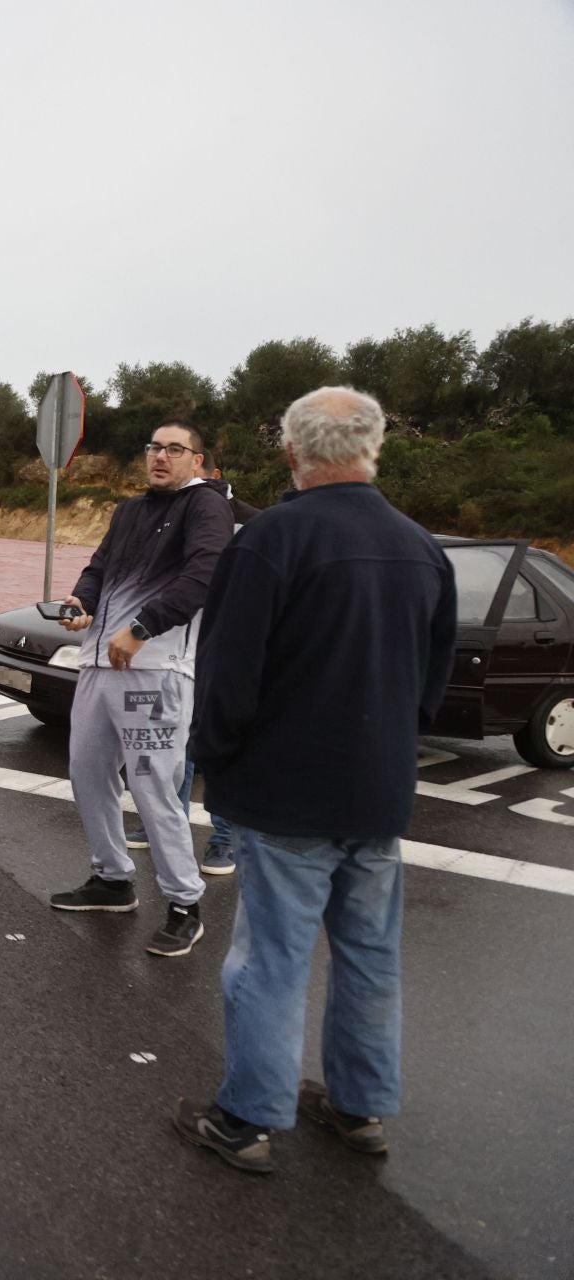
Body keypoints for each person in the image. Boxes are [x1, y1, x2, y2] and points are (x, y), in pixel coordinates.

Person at [172, 387, 454, 1174]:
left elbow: (228, 677)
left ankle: (247, 1118)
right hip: (378, 793)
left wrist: (216, 761)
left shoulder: (269, 541)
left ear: (292, 452)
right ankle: (360, 1108)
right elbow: (431, 683)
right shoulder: (421, 548)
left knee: (270, 959)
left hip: (284, 795)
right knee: (369, 954)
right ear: (375, 449)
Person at [49, 422, 233, 957]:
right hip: (100, 665)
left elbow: (205, 574)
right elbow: (100, 567)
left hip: (156, 670)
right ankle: (112, 879)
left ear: (197, 461)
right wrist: (81, 604)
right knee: (87, 773)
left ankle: (184, 904)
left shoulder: (206, 508)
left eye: (175, 449)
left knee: (153, 784)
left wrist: (143, 626)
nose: (160, 456)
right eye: (154, 447)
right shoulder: (130, 509)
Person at [123, 455, 264, 873]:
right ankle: (166, 825)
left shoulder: (254, 524)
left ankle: (226, 840)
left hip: (230, 653)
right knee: (173, 745)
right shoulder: (167, 520)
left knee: (222, 749)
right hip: (177, 651)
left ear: (214, 476)